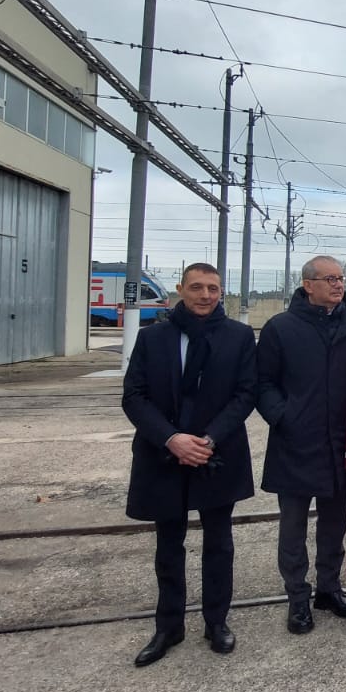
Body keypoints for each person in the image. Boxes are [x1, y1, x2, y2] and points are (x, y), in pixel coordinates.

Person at [121, 262, 256, 667]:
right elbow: (134, 396)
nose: (205, 295)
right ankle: (168, 626)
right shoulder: (154, 337)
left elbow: (245, 394)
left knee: (219, 543)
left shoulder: (238, 337)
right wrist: (172, 438)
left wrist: (208, 440)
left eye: (213, 288)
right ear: (180, 288)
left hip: (217, 455)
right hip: (163, 454)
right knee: (168, 546)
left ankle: (217, 622)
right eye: (196, 287)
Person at [256, 255, 346, 636]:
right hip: (294, 444)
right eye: (330, 279)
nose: (339, 285)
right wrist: (283, 417)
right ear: (308, 285)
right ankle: (297, 598)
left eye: (342, 278)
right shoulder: (280, 328)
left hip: (339, 445)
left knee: (335, 524)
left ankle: (329, 590)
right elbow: (262, 383)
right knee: (292, 528)